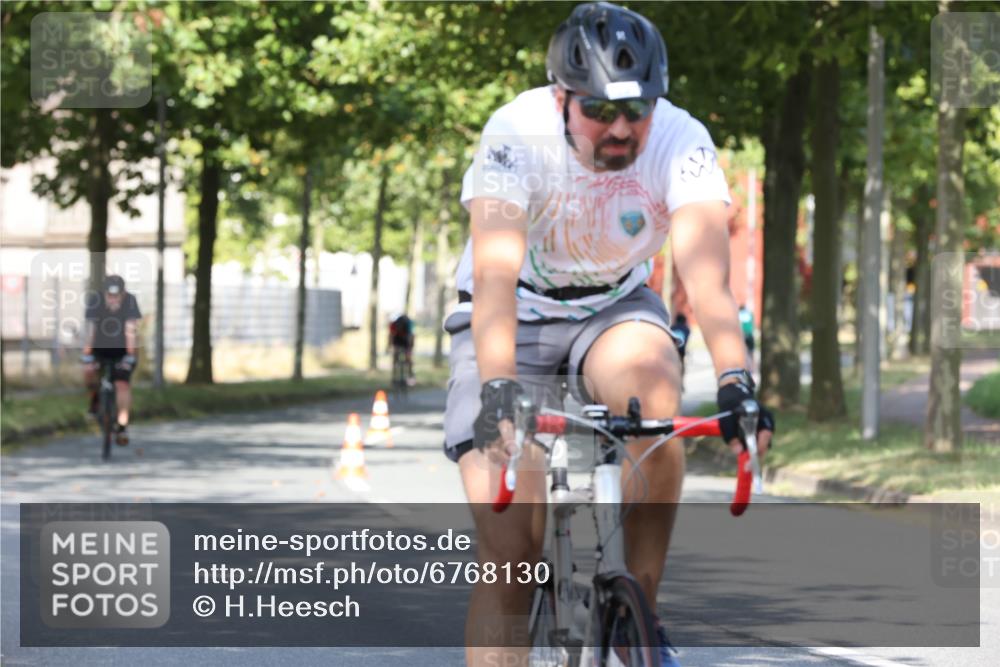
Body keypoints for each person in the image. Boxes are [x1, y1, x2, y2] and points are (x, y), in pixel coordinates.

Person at [441, 4, 775, 666]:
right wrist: (501, 388)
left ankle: (636, 620)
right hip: (515, 315)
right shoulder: (516, 132)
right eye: (598, 110)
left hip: (614, 306)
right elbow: (497, 276)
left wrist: (738, 382)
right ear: (561, 97)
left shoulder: (683, 140)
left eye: (637, 110)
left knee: (656, 410)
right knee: (511, 550)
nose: (621, 128)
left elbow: (707, 283)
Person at [81, 274, 141, 445]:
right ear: (104, 293)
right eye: (110, 295)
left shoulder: (130, 301)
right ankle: (94, 399)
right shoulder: (95, 301)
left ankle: (122, 426)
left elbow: (131, 331)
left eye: (117, 296)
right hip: (100, 347)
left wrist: (129, 356)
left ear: (123, 293)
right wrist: (87, 355)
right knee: (89, 370)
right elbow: (91, 331)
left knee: (122, 385)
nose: (114, 299)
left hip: (122, 349)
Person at [388, 312, 415, 384]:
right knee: (395, 357)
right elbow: (391, 335)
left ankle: (410, 374)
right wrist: (389, 346)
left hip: (406, 340)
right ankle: (394, 377)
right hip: (397, 340)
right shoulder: (393, 324)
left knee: (408, 357)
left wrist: (410, 349)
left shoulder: (408, 323)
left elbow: (411, 336)